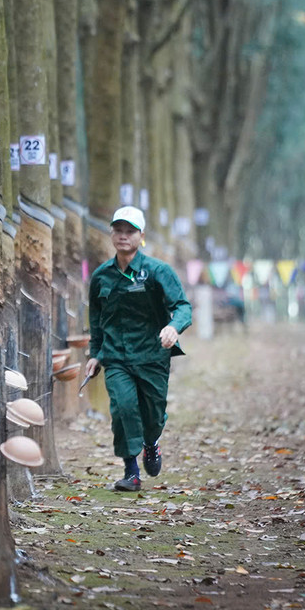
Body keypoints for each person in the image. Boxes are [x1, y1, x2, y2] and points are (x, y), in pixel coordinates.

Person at [84, 206, 193, 492]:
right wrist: (95, 355)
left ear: (141, 235)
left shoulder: (158, 271)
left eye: (130, 231)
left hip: (152, 356)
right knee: (123, 408)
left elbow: (182, 307)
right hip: (116, 357)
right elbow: (96, 320)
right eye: (118, 230)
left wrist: (173, 327)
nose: (123, 236)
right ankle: (131, 471)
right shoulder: (101, 277)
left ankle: (151, 443)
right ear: (111, 233)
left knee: (153, 415)